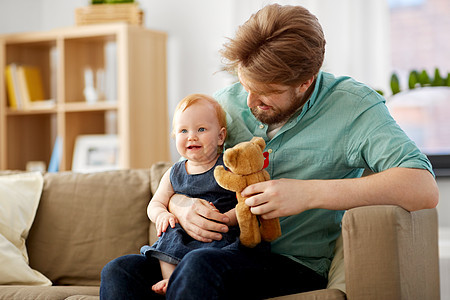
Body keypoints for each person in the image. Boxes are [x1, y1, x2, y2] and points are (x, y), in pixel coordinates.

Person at [100, 4, 439, 299]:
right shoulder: (226, 103)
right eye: (246, 85)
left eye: (265, 93)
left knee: (201, 267)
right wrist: (180, 204)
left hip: (288, 263)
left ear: (305, 81)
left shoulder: (353, 107)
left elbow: (421, 187)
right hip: (210, 250)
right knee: (120, 272)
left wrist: (307, 194)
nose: (248, 102)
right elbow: (186, 171)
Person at [140, 94, 240, 295]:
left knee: (216, 250)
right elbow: (155, 203)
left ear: (221, 136)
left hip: (217, 234)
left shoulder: (229, 167)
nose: (191, 136)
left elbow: (245, 205)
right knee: (169, 234)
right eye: (183, 130)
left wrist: (226, 219)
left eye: (201, 129)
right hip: (183, 236)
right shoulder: (173, 173)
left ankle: (180, 281)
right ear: (174, 136)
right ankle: (170, 279)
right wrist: (162, 215)